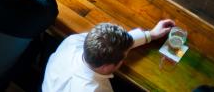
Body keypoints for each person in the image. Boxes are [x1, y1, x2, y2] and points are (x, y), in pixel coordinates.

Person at [42, 19, 175, 92]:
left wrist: (150, 35)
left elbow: (108, 43)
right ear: (106, 67)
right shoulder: (96, 90)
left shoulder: (74, 41)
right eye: (125, 56)